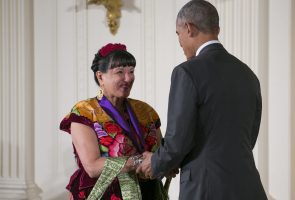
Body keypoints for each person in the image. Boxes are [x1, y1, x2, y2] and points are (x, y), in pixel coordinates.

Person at [136, 1, 268, 200]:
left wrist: (155, 163)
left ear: (189, 28)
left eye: (178, 33)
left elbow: (178, 141)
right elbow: (249, 137)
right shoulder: (247, 74)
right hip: (249, 187)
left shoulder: (186, 72)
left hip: (205, 189)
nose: (179, 42)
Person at [60, 43, 169, 200]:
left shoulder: (146, 111)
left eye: (131, 71)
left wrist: (167, 163)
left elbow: (161, 150)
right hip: (104, 193)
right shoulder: (84, 112)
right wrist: (139, 160)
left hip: (148, 193)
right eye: (120, 72)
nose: (128, 78)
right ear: (100, 76)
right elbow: (92, 166)